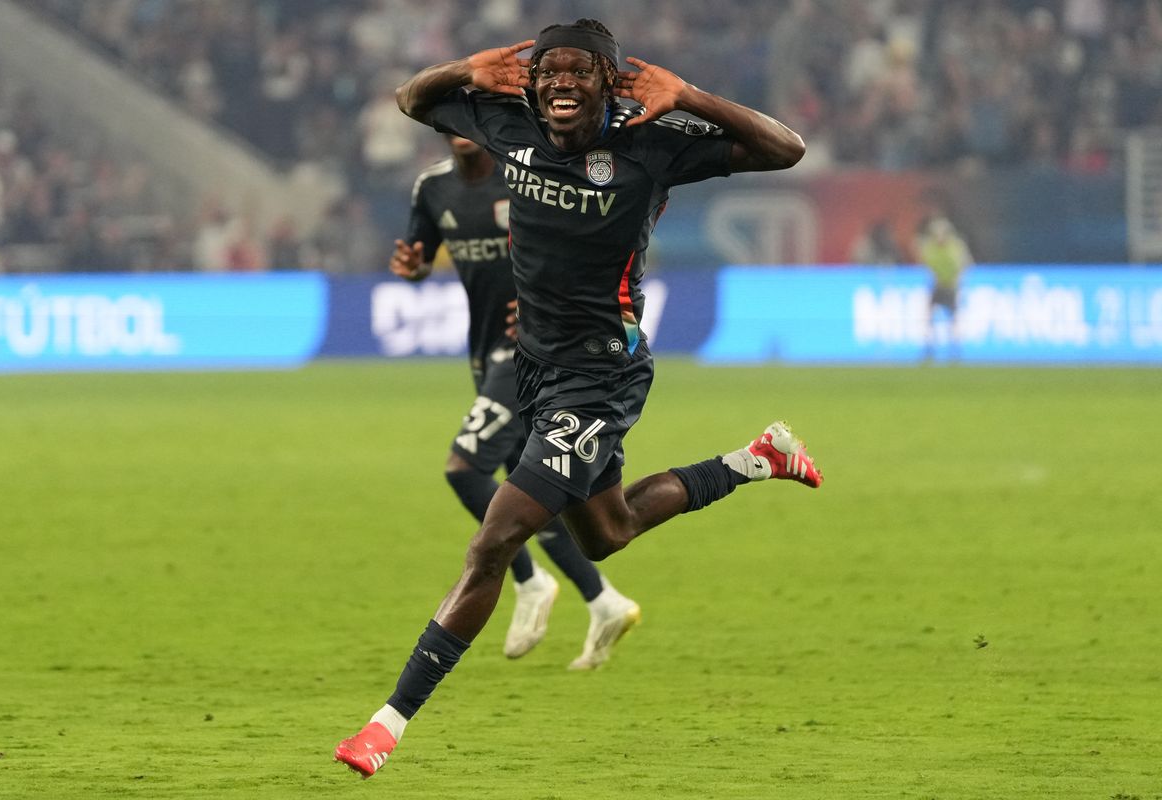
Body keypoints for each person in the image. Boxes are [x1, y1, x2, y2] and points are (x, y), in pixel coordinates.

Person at [335, 19, 823, 779]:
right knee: (607, 532)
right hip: (534, 367)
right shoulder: (507, 121)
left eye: (581, 73)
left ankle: (384, 726)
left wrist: (690, 95)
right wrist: (467, 66)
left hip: (599, 378)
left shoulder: (653, 139)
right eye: (549, 72)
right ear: (530, 84)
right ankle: (757, 459)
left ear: (612, 82)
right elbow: (410, 99)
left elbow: (786, 148)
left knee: (494, 538)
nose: (562, 84)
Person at [390, 132, 641, 667]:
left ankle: (526, 581)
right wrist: (412, 267)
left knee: (465, 467)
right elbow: (418, 258)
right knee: (535, 490)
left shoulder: (528, 173)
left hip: (535, 350)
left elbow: (588, 240)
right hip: (486, 353)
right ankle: (604, 600)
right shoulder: (431, 188)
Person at [914, 213, 972, 360]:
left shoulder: (956, 246)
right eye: (936, 233)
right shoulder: (930, 247)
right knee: (929, 318)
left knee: (953, 320)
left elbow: (965, 264)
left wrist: (958, 281)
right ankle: (929, 348)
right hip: (937, 286)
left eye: (941, 232)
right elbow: (925, 262)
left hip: (951, 287)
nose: (939, 236)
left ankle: (954, 350)